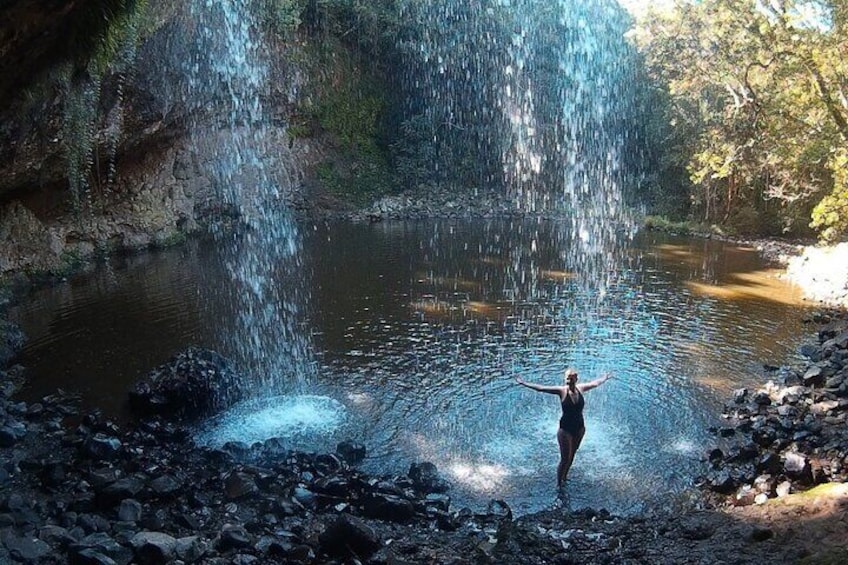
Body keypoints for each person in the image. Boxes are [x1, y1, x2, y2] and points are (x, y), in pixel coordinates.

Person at [515, 368, 612, 488]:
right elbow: (541, 388)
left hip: (580, 428)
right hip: (565, 430)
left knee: (572, 455)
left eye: (571, 378)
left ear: (576, 379)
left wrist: (604, 378)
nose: (568, 380)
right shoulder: (561, 391)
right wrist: (524, 383)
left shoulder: (581, 389)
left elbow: (594, 384)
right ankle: (559, 485)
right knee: (565, 459)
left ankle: (565, 478)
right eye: (567, 378)